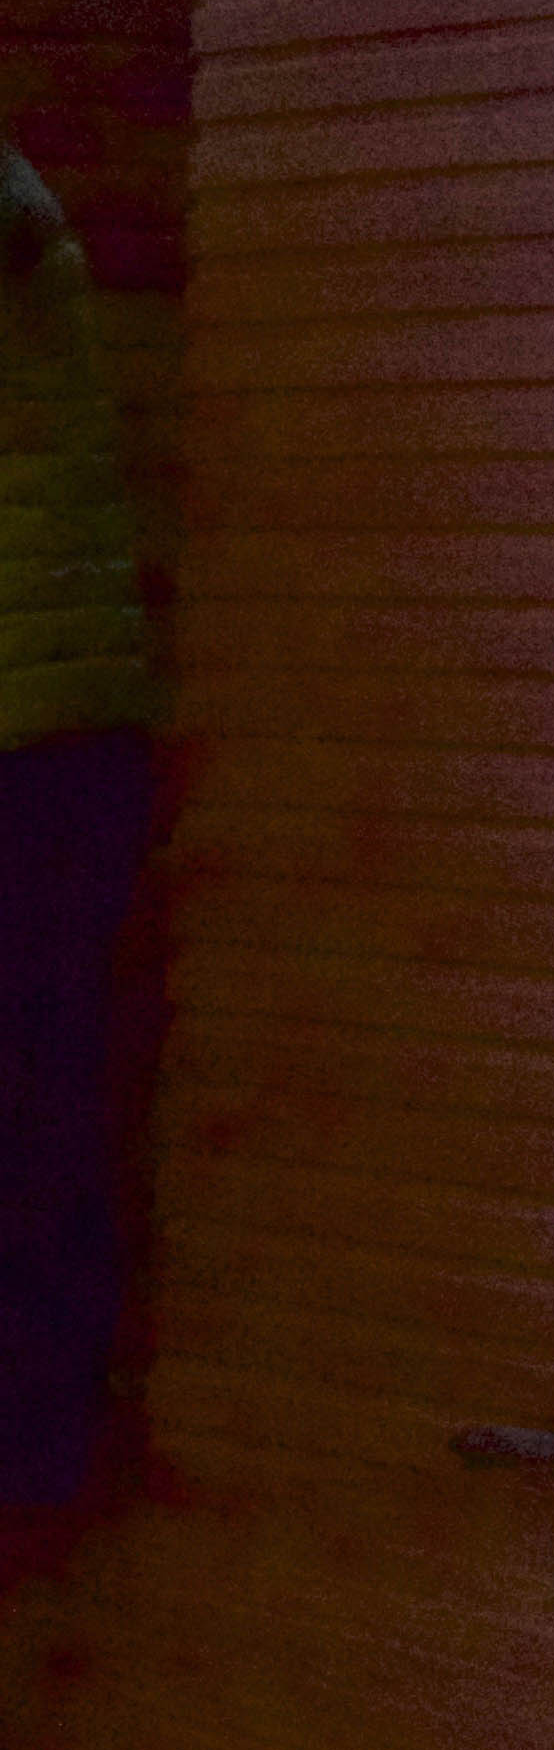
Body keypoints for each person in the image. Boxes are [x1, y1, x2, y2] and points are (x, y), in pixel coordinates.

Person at [0, 132, 158, 1522]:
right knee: (43, 1083)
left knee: (37, 1090)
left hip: (39, 735)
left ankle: (41, 1440)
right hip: (60, 730)